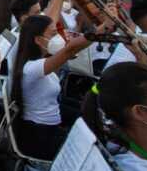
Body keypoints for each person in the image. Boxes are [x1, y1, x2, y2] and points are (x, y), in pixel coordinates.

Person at [10, 14, 93, 159]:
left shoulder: (39, 61)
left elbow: (71, 50)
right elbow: (70, 50)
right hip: (39, 135)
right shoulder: (32, 68)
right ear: (38, 40)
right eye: (54, 34)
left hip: (47, 126)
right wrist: (100, 32)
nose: (59, 37)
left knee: (87, 115)